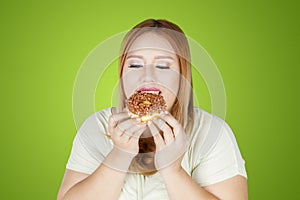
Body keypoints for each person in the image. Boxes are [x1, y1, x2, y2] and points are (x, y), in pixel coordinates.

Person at [57, 19, 248, 200]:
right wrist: (119, 155)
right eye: (135, 64)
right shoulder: (97, 126)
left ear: (183, 76)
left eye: (163, 66)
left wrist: (173, 171)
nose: (147, 76)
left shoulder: (211, 131)